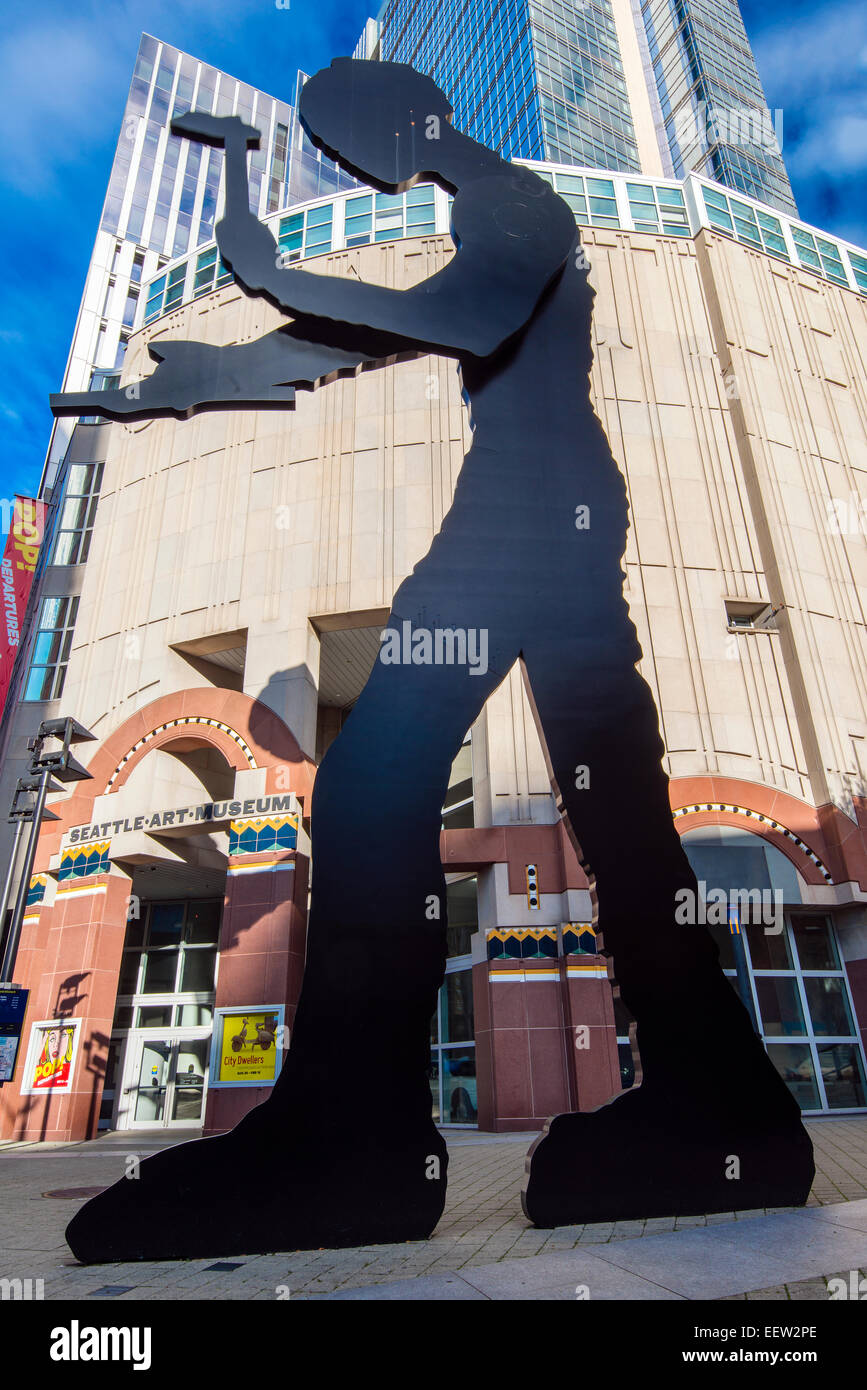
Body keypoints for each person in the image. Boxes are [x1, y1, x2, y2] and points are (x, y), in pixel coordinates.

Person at [56, 58, 813, 1262]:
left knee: (374, 781)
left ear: (407, 122)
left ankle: (359, 1135)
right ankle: (721, 1095)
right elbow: (344, 346)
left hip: (530, 509)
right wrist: (213, 378)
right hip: (548, 507)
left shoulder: (520, 204)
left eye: (352, 144)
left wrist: (279, 276)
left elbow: (467, 318)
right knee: (614, 806)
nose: (357, 168)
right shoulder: (489, 216)